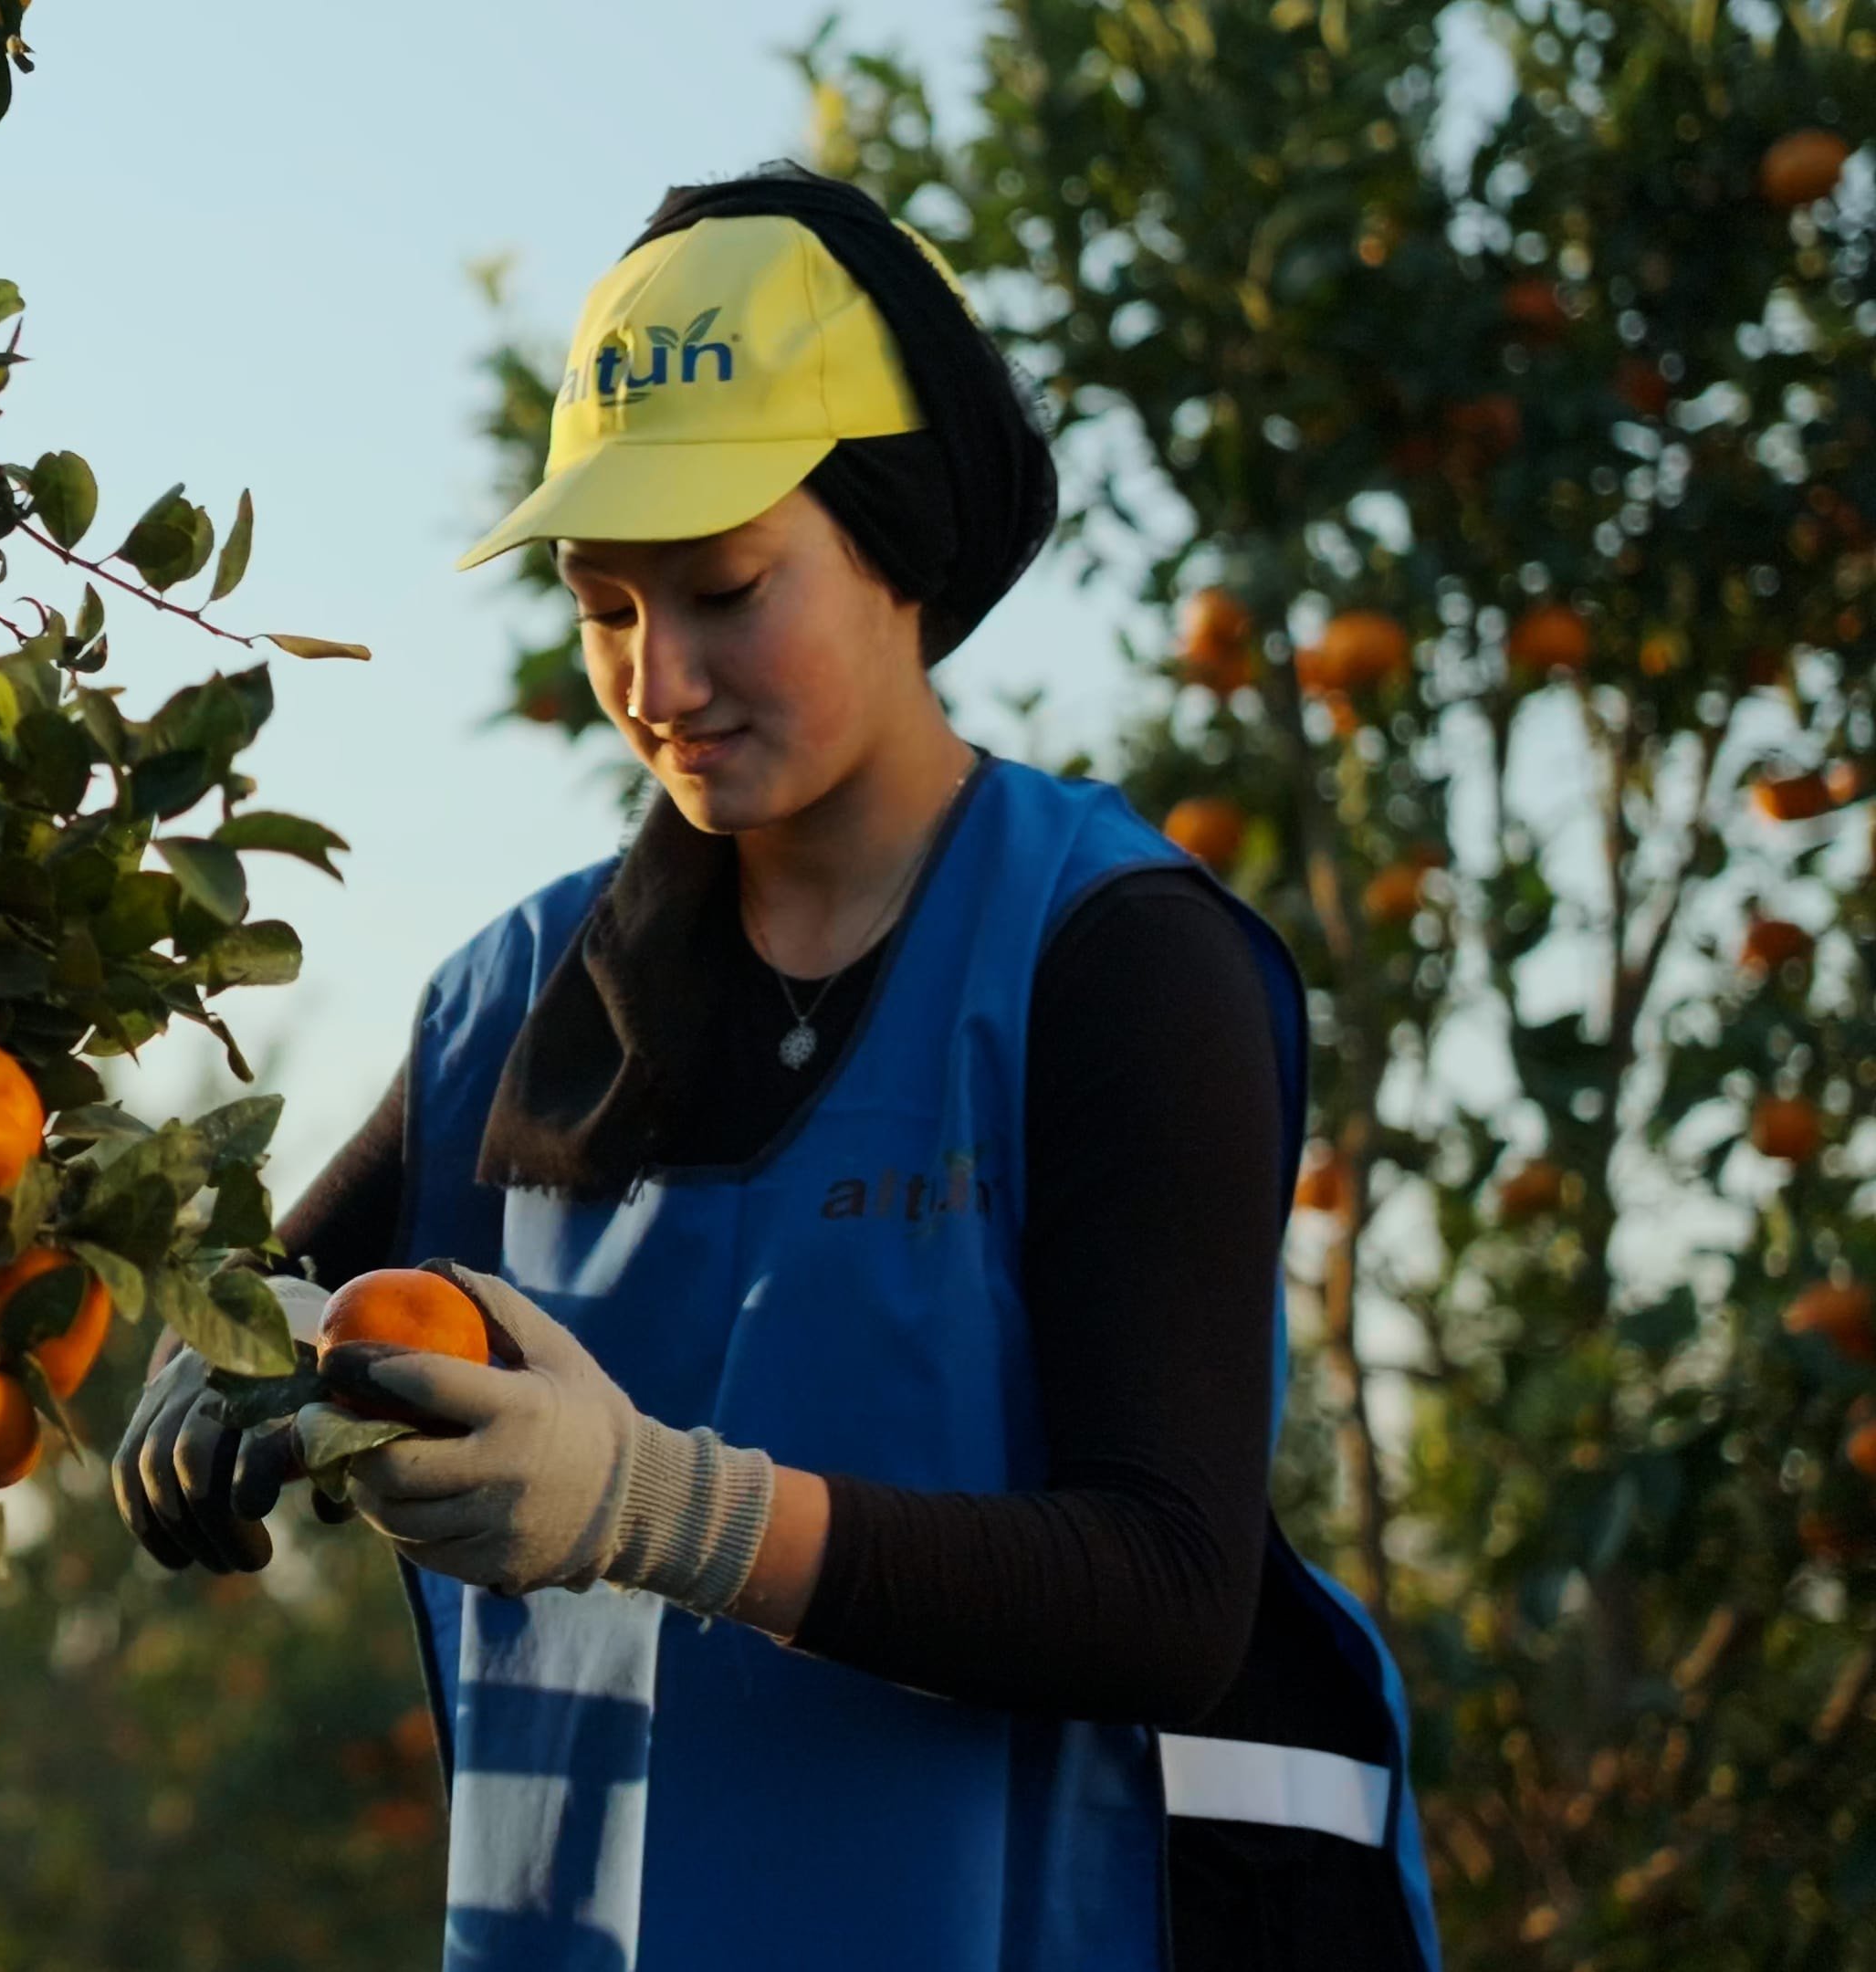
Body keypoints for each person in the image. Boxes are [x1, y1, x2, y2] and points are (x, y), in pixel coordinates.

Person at [111, 165, 1441, 1971]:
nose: (657, 677)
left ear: (895, 541)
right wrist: (219, 1360)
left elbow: (1162, 1594)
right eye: (600, 604)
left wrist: (660, 1512)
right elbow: (279, 1287)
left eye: (725, 589)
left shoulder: (1110, 960)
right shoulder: (518, 1000)